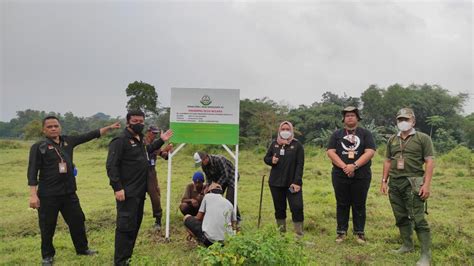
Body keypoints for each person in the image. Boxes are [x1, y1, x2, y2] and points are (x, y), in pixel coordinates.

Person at [27, 115, 120, 265]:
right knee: (47, 225)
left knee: (77, 220)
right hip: (48, 195)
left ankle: (82, 249)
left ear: (60, 127)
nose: (53, 129)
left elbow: (89, 135)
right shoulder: (39, 147)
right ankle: (47, 256)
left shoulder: (68, 141)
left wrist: (108, 128)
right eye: (49, 126)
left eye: (55, 126)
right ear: (43, 129)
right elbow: (32, 171)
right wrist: (33, 195)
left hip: (69, 193)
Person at [106, 110, 173, 266]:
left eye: (141, 121)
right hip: (127, 193)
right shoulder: (120, 141)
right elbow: (111, 166)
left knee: (135, 225)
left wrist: (161, 140)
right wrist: (117, 188)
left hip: (139, 192)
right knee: (125, 228)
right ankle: (120, 261)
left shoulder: (141, 139)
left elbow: (147, 151)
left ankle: (127, 258)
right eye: (135, 121)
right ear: (128, 122)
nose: (139, 124)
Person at [380, 108, 434, 266]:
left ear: (413, 121)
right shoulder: (392, 140)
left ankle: (426, 255)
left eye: (406, 119)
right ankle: (407, 245)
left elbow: (429, 161)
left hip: (413, 182)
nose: (403, 122)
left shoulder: (422, 138)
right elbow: (388, 161)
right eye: (400, 119)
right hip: (395, 182)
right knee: (401, 216)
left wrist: (427, 184)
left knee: (418, 219)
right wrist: (384, 180)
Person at [326, 106, 376, 244]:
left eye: (353, 115)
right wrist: (344, 166)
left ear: (357, 118)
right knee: (342, 203)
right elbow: (330, 152)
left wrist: (354, 166)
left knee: (359, 204)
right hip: (339, 175)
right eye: (347, 115)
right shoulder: (337, 134)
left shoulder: (366, 134)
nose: (350, 117)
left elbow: (370, 151)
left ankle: (359, 233)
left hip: (361, 175)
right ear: (343, 119)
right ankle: (341, 232)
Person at [263, 121, 305, 236]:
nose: (285, 131)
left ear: (291, 131)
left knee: (297, 207)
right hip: (275, 183)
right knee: (279, 208)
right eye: (283, 129)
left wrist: (297, 182)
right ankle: (282, 235)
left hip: (292, 184)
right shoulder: (274, 144)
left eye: (287, 129)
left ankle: (299, 234)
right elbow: (266, 158)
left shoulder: (297, 145)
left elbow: (300, 165)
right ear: (279, 131)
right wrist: (271, 160)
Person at [183, 182, 236, 247]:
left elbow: (198, 217)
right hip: (226, 242)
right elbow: (234, 226)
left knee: (186, 217)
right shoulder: (229, 204)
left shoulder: (207, 197)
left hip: (209, 241)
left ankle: (200, 242)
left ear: (209, 191)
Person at [193, 151, 240, 221]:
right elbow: (209, 177)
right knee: (214, 196)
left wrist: (215, 185)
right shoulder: (204, 166)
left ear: (205, 158)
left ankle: (237, 219)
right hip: (219, 178)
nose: (201, 164)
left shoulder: (219, 159)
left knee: (230, 199)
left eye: (202, 162)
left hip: (231, 177)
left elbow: (225, 175)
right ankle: (216, 216)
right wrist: (208, 187)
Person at [144, 125, 173, 230]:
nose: (154, 135)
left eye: (156, 133)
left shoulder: (156, 144)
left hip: (151, 172)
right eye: (153, 133)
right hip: (139, 172)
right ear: (148, 132)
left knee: (155, 195)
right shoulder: (142, 141)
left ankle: (158, 220)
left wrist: (168, 151)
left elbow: (163, 156)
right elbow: (148, 150)